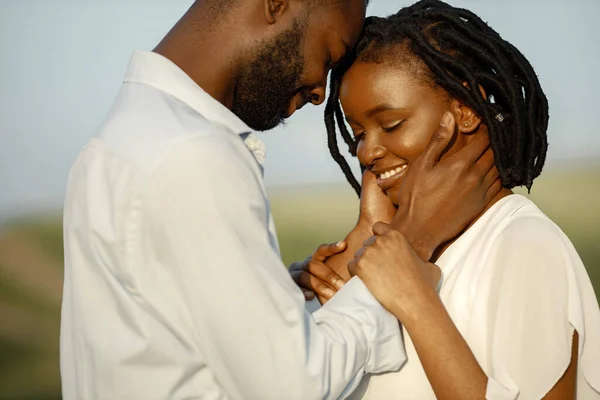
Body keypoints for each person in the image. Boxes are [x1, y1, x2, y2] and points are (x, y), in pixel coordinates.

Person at [59, 0, 504, 399]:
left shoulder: (116, 143)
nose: (319, 92)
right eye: (329, 55)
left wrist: (287, 302)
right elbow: (294, 385)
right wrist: (406, 247)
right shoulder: (192, 156)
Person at [292, 1, 600, 399]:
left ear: (466, 109)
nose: (368, 152)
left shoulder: (524, 244)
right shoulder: (390, 250)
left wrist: (416, 302)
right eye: (358, 134)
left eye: (391, 124)